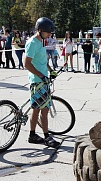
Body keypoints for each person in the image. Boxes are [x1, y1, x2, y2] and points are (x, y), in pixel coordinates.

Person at [24, 17, 60, 148]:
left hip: (43, 80)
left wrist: (51, 70)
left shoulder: (41, 42)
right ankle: (46, 137)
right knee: (43, 110)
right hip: (38, 81)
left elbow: (42, 61)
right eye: (47, 32)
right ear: (39, 30)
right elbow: (27, 64)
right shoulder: (33, 43)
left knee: (37, 110)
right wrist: (41, 76)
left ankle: (32, 135)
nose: (50, 34)